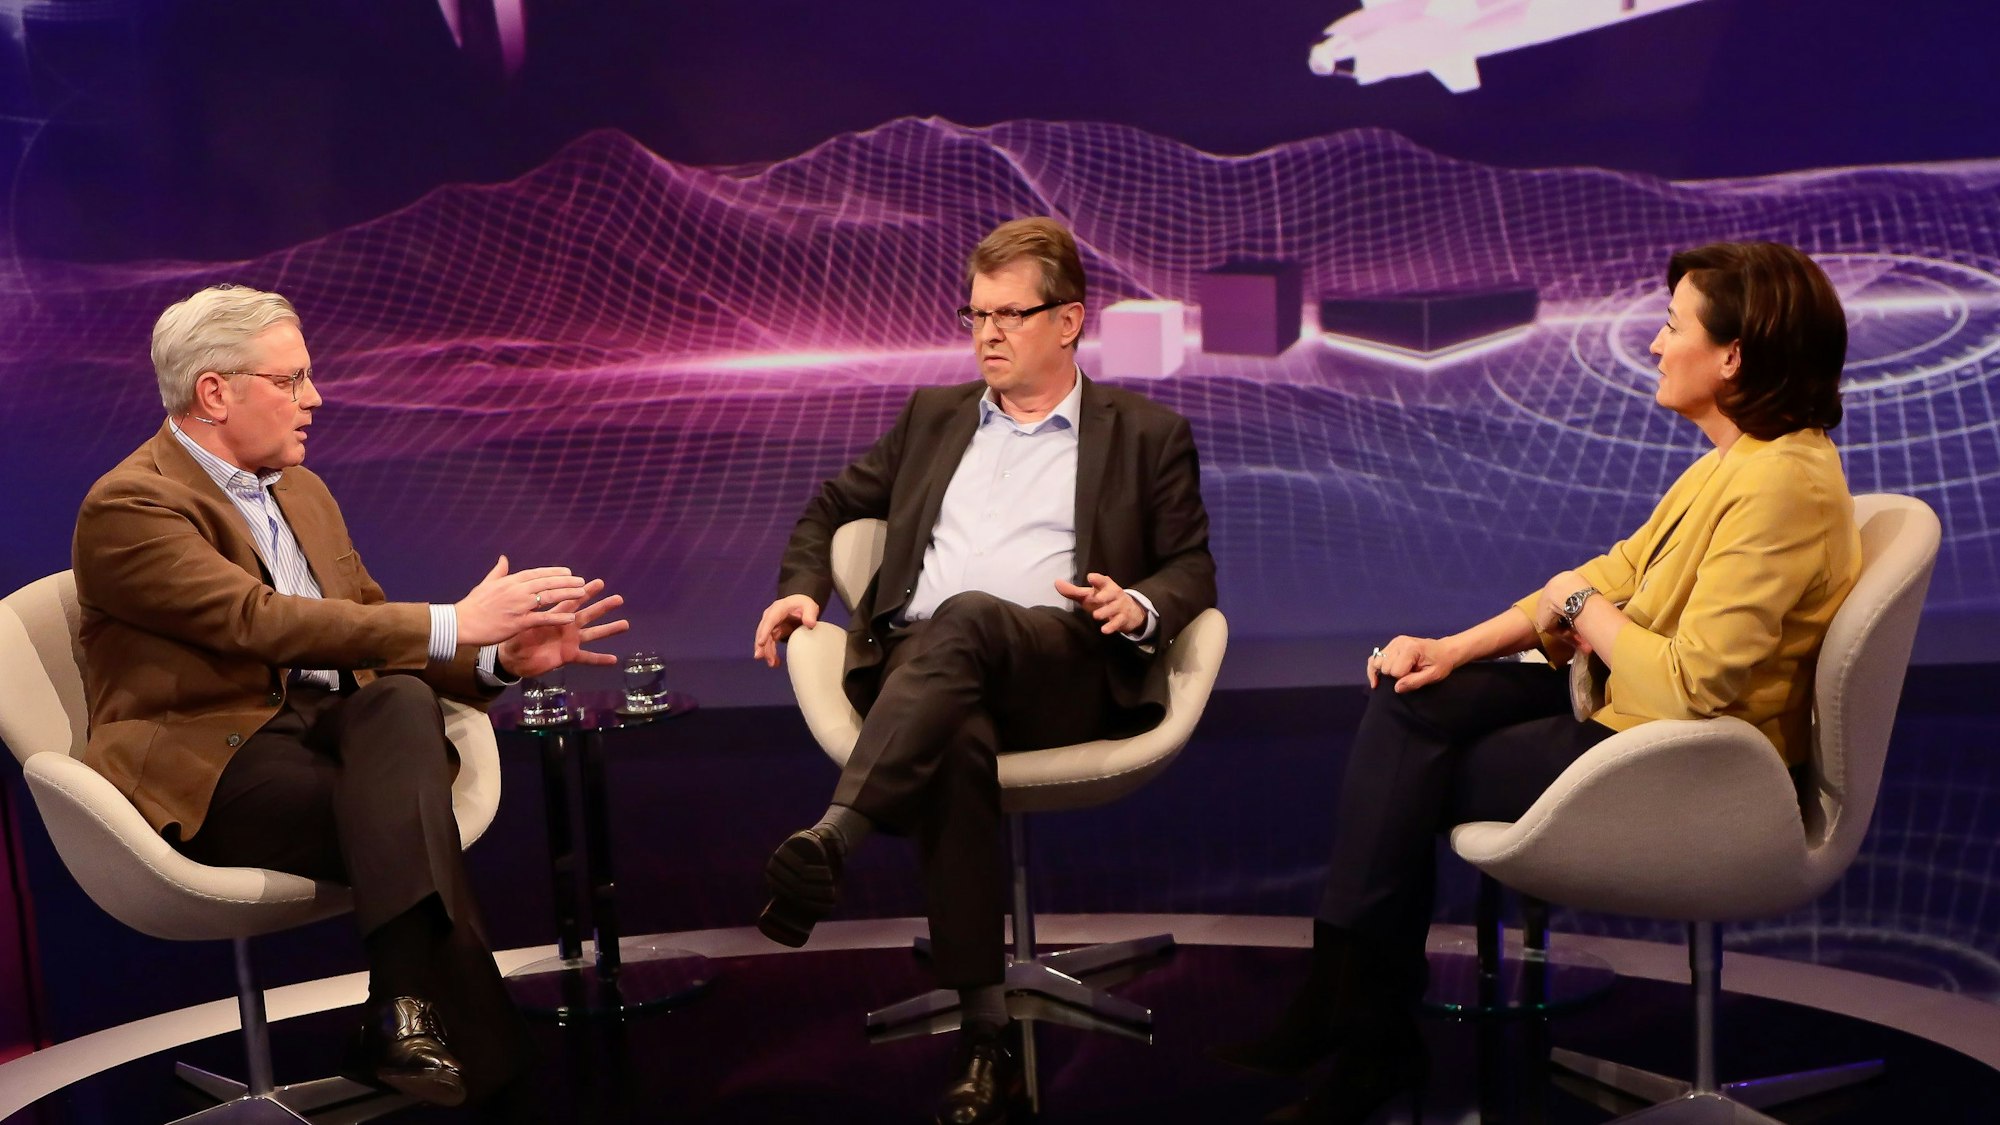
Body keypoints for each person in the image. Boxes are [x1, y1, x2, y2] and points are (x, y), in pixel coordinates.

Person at [1214, 242, 1862, 1124]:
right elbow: (1620, 569)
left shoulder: (1783, 485)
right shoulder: (1736, 460)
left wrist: (1579, 601)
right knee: (1416, 697)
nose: (1655, 346)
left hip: (1695, 762)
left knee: (1413, 767)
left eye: (1673, 327)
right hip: (1629, 714)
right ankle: (1351, 1014)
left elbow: (1692, 685)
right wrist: (1454, 646)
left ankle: (1359, 1025)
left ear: (1734, 356)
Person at [72, 284, 629, 1107]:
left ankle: (399, 1015)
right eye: (291, 380)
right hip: (219, 764)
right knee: (409, 815)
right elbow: (258, 622)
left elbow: (365, 631)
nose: (315, 399)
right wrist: (454, 618)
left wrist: (498, 662)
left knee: (400, 704)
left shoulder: (303, 490)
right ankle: (479, 1064)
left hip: (338, 734)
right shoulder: (132, 503)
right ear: (214, 392)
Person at [751, 217, 1216, 1125]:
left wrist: (1140, 604)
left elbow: (1192, 567)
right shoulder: (934, 416)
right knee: (953, 725)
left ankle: (839, 833)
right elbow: (833, 506)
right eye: (975, 315)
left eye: (1011, 315)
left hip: (1062, 664)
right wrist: (805, 589)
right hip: (931, 679)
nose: (987, 335)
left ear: (1071, 320)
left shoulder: (1147, 432)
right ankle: (986, 1038)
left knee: (962, 620)